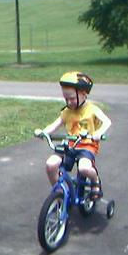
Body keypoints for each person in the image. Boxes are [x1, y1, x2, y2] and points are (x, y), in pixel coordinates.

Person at [36, 71, 111, 199]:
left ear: (83, 94)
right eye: (66, 99)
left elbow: (107, 122)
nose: (69, 102)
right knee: (51, 164)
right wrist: (44, 132)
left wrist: (98, 133)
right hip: (70, 145)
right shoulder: (67, 111)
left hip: (87, 146)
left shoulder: (92, 109)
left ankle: (95, 181)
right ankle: (59, 191)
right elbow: (55, 124)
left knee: (84, 169)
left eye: (72, 98)